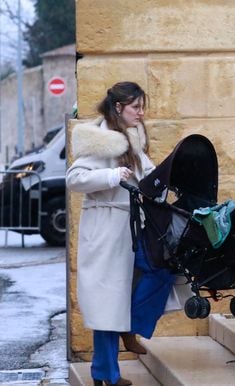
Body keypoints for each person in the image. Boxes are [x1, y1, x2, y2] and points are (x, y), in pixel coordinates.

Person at [66, 82, 155, 386]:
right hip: (106, 231)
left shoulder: (133, 138)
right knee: (107, 303)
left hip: (131, 229)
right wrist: (111, 175)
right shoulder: (101, 141)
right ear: (119, 107)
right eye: (136, 107)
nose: (141, 113)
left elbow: (148, 175)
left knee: (157, 274)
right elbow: (75, 178)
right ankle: (106, 374)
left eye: (142, 107)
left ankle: (129, 328)